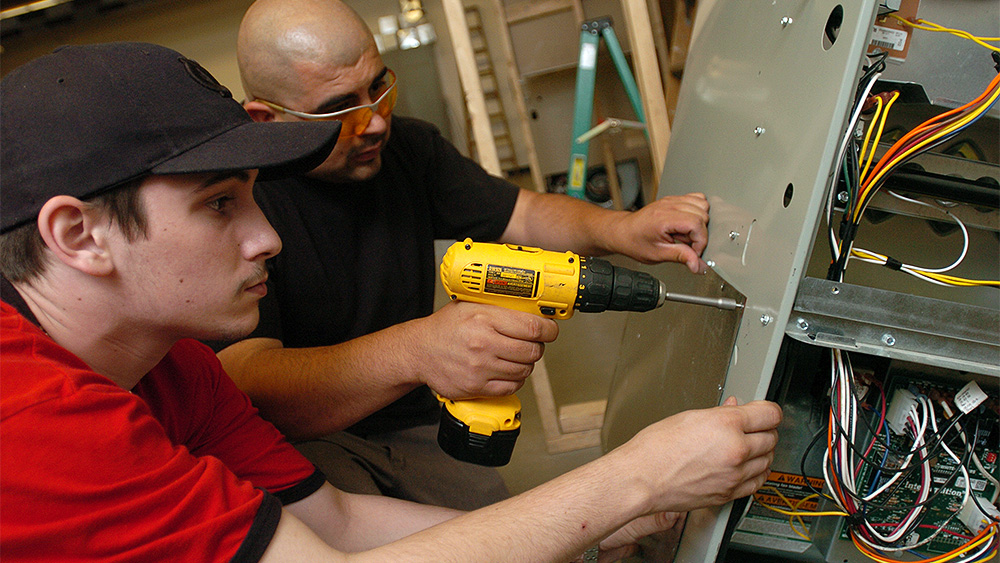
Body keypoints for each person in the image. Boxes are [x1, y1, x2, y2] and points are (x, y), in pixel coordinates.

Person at [0, 42, 780, 563]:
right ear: (78, 235)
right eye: (216, 206)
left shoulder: (175, 369)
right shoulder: (32, 423)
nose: (266, 236)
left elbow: (337, 524)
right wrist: (636, 478)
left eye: (252, 199)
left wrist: (597, 515)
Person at [224, 0, 716, 511]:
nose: (373, 123)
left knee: (504, 531)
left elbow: (521, 214)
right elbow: (246, 379)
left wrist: (624, 228)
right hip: (296, 439)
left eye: (378, 88)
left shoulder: (408, 149)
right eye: (339, 111)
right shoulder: (237, 204)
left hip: (408, 413)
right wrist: (418, 350)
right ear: (267, 119)